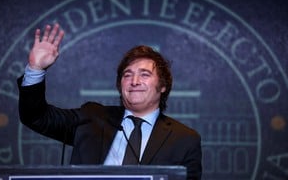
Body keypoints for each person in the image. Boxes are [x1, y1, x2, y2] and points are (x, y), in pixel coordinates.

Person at [17, 23, 202, 179]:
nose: (134, 81)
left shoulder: (185, 139)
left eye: (144, 75)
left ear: (163, 86)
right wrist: (35, 69)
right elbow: (36, 117)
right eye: (127, 75)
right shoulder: (93, 117)